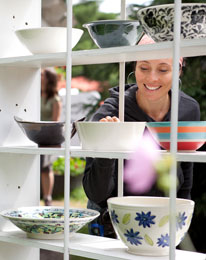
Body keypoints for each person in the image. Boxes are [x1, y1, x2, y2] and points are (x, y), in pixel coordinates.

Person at [82, 35, 200, 237]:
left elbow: (186, 174)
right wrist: (108, 149)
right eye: (144, 68)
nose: (152, 78)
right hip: (114, 225)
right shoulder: (110, 114)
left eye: (163, 69)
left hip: (162, 223)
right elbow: (96, 193)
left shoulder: (188, 110)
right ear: (134, 67)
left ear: (179, 70)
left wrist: (179, 224)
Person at [41, 68, 62, 206]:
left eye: (42, 75)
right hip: (35, 136)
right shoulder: (35, 94)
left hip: (48, 138)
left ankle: (47, 197)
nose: (39, 76)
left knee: (46, 168)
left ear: (49, 79)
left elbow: (56, 122)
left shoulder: (55, 99)